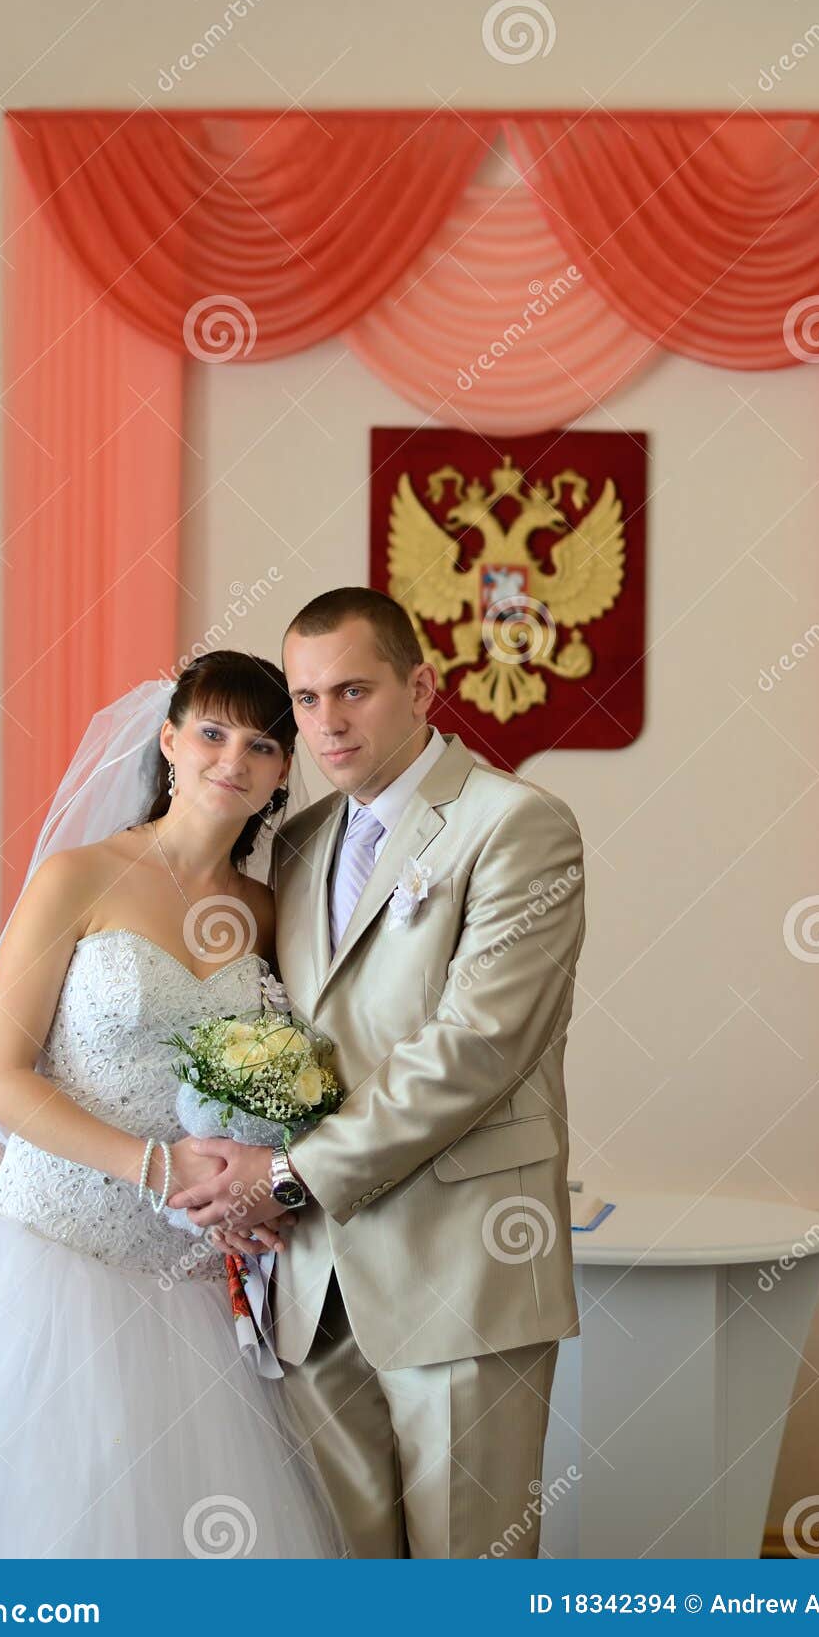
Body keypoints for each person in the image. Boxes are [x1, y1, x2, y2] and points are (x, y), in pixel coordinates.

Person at [0, 652, 343, 1560]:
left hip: (181, 1294)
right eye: (211, 732)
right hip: (38, 1264)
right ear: (170, 740)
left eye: (261, 744)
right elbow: (0, 1078)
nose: (233, 759)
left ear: (281, 772)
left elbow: (274, 1082)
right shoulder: (80, 876)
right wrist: (159, 1168)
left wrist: (246, 1187)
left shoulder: (269, 911)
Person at [175, 589, 587, 1559]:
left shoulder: (516, 824)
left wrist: (285, 1174)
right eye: (308, 699)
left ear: (422, 686)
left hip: (461, 1267)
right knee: (344, 1579)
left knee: (465, 1580)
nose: (327, 722)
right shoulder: (302, 840)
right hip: (314, 1282)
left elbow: (477, 1048)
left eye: (353, 690)